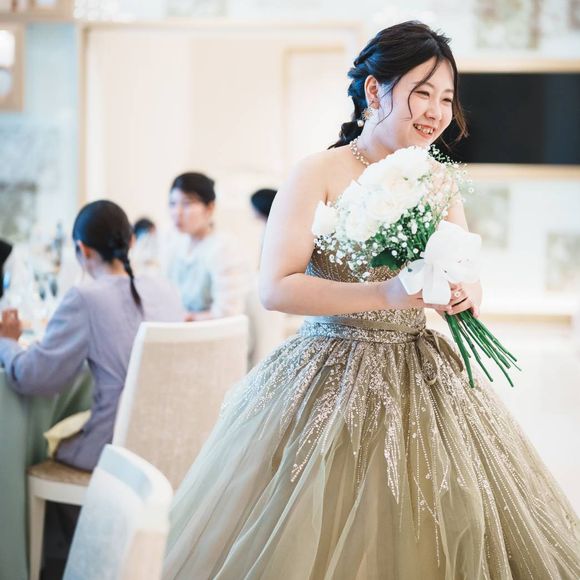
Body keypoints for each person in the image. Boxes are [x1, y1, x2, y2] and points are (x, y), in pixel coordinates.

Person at [163, 22, 580, 579]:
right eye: (423, 93)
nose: (436, 112)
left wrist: (464, 294)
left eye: (447, 98)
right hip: (327, 373)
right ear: (374, 91)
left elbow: (467, 273)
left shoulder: (438, 180)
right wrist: (385, 293)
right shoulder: (317, 172)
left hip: (422, 371)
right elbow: (276, 287)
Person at [0, 200, 184, 471]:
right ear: (131, 241)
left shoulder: (86, 297)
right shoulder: (165, 289)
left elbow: (36, 377)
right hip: (169, 445)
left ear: (82, 249)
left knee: (38, 452)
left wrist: (7, 343)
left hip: (113, 450)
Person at [167, 172, 249, 321]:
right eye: (172, 203)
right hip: (179, 327)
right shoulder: (176, 244)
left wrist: (189, 319)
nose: (177, 212)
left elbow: (228, 313)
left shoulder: (223, 247)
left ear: (210, 207)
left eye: (186, 204)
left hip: (212, 332)